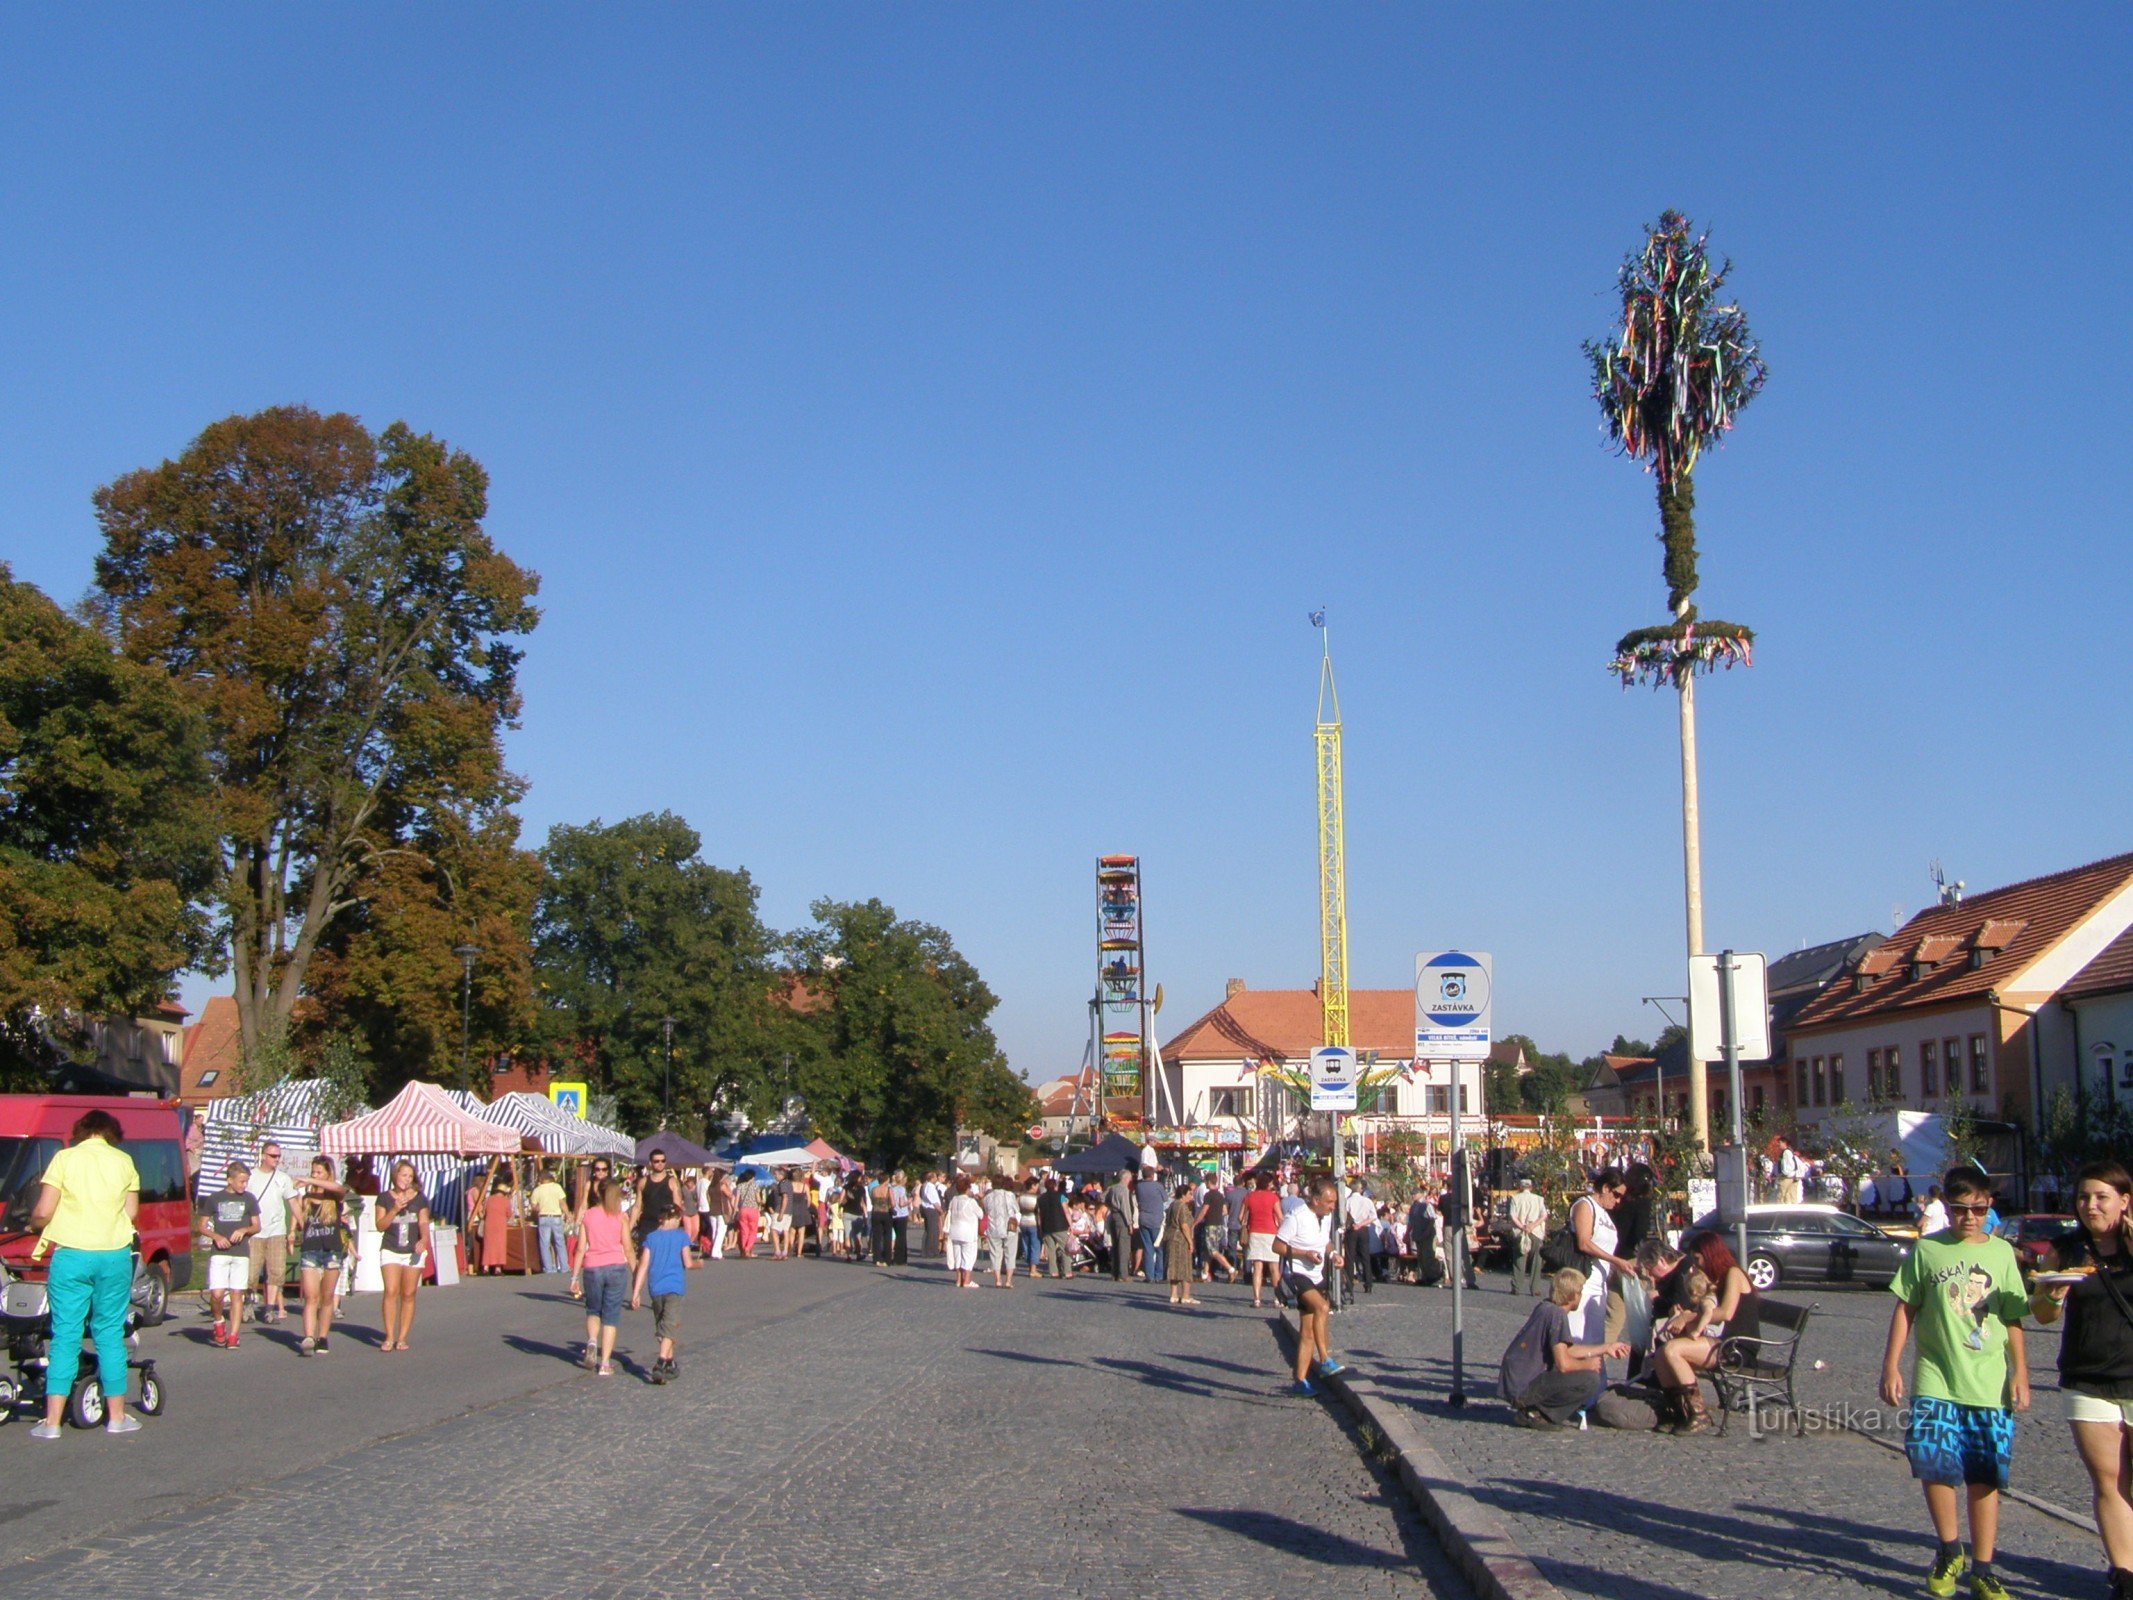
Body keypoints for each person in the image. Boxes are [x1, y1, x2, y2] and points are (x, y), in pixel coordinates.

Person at [1881, 1166, 2030, 1600]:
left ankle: (1983, 1568)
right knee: (1934, 1463)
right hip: (1936, 1377)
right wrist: (1891, 1365)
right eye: (1961, 1209)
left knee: (1985, 1476)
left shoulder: (2003, 1253)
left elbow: (2013, 1317)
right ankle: (1949, 1549)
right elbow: (1905, 1308)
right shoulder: (1928, 1251)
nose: (1970, 1217)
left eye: (1978, 1209)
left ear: (1989, 1207)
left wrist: (2021, 1371)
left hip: (1988, 1382)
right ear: (1946, 1207)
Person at [2030, 1160, 2133, 1600]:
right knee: (2109, 1480)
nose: (2090, 1206)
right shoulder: (2067, 1249)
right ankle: (2125, 1576)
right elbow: (2042, 1313)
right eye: (2083, 1197)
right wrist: (2052, 1295)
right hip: (2087, 1378)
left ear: (2125, 1201)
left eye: (2101, 1197)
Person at [24, 1109, 143, 1439]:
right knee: (108, 1331)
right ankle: (117, 1417)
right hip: (113, 1254)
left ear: (81, 1131)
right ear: (111, 1134)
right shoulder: (124, 1162)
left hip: (72, 1254)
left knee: (65, 1334)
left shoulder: (64, 1159)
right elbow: (131, 1212)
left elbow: (44, 1211)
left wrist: (34, 1224)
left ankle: (51, 1423)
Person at [1648, 1230, 1759, 1433]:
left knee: (1673, 1350)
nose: (1697, 1264)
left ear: (1710, 1254)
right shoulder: (1716, 1278)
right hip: (1721, 1341)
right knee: (1661, 1355)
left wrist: (1689, 1317)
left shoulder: (1733, 1274)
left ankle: (1698, 1413)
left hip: (1736, 1347)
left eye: (1698, 1258)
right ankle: (1680, 1411)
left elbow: (1726, 1313)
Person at [1500, 1267, 1629, 1430]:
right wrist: (1588, 1365)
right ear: (1572, 1295)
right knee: (1590, 1379)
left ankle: (1535, 1410)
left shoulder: (1546, 1308)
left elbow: (1568, 1350)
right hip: (1524, 1387)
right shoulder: (1557, 1315)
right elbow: (1564, 1364)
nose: (1581, 1297)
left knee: (1584, 1373)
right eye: (1580, 1292)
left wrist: (1606, 1348)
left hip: (1517, 1382)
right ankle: (1537, 1413)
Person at [1274, 1177, 1344, 1395]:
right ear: (1315, 1200)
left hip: (1317, 1274)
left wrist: (1332, 1254)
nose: (1333, 1206)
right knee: (1322, 1307)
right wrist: (1304, 1254)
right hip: (1298, 1274)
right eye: (1329, 1202)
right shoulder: (1296, 1217)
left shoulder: (1326, 1217)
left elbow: (1324, 1241)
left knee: (1307, 1333)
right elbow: (1277, 1246)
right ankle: (1324, 1359)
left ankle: (1300, 1381)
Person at [1569, 1168, 1637, 1353]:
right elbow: (1584, 1242)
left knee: (1595, 1339)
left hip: (1600, 1283)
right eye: (1616, 1195)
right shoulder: (1585, 1205)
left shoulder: (1605, 1213)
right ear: (1606, 1188)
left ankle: (1593, 1380)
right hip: (1584, 1280)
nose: (1618, 1200)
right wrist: (1617, 1261)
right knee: (1578, 1336)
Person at [577, 1178, 639, 1376]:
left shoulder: (588, 1215)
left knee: (593, 1309)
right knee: (611, 1316)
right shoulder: (621, 1217)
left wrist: (573, 1278)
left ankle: (592, 1341)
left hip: (592, 1266)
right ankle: (604, 1364)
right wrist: (636, 1275)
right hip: (615, 1266)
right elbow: (628, 1249)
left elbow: (580, 1248)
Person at [628, 1202, 695, 1382]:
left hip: (655, 1288)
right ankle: (660, 1362)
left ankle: (669, 1363)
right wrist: (698, 1264)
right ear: (669, 1219)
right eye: (676, 1218)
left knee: (663, 1327)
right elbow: (688, 1263)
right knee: (669, 1326)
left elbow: (643, 1266)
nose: (678, 1221)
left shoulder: (651, 1238)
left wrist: (636, 1292)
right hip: (674, 1287)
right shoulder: (681, 1236)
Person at [198, 1159, 260, 1350]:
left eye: (246, 1182)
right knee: (216, 1294)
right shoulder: (215, 1199)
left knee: (236, 1294)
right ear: (230, 1180)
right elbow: (201, 1226)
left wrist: (244, 1230)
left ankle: (233, 1334)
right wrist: (215, 1236)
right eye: (241, 1181)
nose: (244, 1185)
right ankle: (218, 1321)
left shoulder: (249, 1199)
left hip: (240, 1253)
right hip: (220, 1252)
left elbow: (257, 1225)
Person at [291, 1155, 349, 1355]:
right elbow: (297, 1217)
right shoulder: (306, 1196)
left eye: (319, 1172)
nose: (314, 1176)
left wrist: (312, 1181)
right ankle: (308, 1336)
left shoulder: (334, 1195)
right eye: (313, 1172)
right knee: (311, 1296)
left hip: (331, 1250)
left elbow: (340, 1189)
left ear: (327, 1174)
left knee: (327, 1297)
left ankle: (322, 1337)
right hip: (311, 1249)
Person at [375, 1161, 431, 1353]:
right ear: (395, 1176)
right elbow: (380, 1225)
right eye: (403, 1175)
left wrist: (424, 1239)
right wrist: (394, 1209)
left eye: (410, 1176)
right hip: (391, 1248)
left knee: (408, 1293)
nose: (406, 1179)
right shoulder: (384, 1198)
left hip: (412, 1251)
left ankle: (402, 1337)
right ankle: (389, 1336)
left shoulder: (420, 1199)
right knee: (391, 1290)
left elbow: (423, 1222)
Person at [246, 1140, 297, 1324]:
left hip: (276, 1231)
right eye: (273, 1156)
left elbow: (293, 1202)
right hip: (255, 1232)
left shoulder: (283, 1178)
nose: (277, 1159)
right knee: (251, 1273)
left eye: (278, 1156)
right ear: (263, 1156)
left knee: (276, 1271)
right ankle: (248, 1303)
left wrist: (301, 1223)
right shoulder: (250, 1176)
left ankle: (269, 1309)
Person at [1242, 1172, 1283, 1308]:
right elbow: (1280, 1217)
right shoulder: (1273, 1197)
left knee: (1257, 1267)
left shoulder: (1249, 1197)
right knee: (1273, 1268)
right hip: (1271, 1233)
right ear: (1268, 1184)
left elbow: (1240, 1217)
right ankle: (1277, 1299)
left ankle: (1257, 1299)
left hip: (1254, 1232)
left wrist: (1248, 1224)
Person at [1507, 1177, 1548, 1297]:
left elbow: (1512, 1216)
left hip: (1520, 1232)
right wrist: (1532, 1226)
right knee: (1537, 1261)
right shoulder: (1539, 1199)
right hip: (1536, 1232)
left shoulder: (1515, 1198)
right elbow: (1544, 1215)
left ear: (1520, 1187)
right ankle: (1535, 1289)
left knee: (1519, 1260)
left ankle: (1517, 1287)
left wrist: (1522, 1227)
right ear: (1531, 1187)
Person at [943, 1174, 983, 1289]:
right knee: (969, 1257)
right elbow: (980, 1215)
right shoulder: (971, 1202)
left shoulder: (954, 1200)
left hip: (955, 1231)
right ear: (967, 1189)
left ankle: (958, 1280)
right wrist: (979, 1200)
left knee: (958, 1257)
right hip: (968, 1232)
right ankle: (967, 1281)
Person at [529, 1165, 570, 1275]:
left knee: (544, 1244)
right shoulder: (557, 1187)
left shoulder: (537, 1190)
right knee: (560, 1242)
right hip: (556, 1216)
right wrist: (568, 1214)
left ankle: (549, 1268)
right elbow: (562, 1202)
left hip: (543, 1217)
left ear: (540, 1179)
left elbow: (534, 1206)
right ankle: (564, 1267)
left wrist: (541, 1207)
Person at [983, 1173, 1021, 1287]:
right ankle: (1009, 1280)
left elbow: (986, 1211)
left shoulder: (987, 1197)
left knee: (996, 1254)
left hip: (993, 1227)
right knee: (1010, 1253)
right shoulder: (1010, 1195)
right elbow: (1017, 1209)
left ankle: (998, 1280)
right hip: (1010, 1228)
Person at [1342, 1177, 1377, 1298]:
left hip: (1351, 1229)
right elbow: (1373, 1217)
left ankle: (1349, 1283)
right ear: (1361, 1189)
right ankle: (1368, 1283)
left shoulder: (1348, 1201)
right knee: (1365, 1257)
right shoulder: (1367, 1201)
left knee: (1350, 1257)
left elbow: (1344, 1216)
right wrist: (1362, 1224)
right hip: (1363, 1229)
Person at [1134, 1165, 1168, 1282]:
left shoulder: (1139, 1187)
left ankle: (1149, 1275)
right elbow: (1165, 1198)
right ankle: (1159, 1275)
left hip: (1143, 1218)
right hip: (1156, 1219)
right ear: (1153, 1175)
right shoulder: (1158, 1186)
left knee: (1147, 1248)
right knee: (1159, 1248)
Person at [1103, 1169, 1137, 1283]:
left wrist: (1110, 1205)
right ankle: (1123, 1274)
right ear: (1126, 1178)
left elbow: (1102, 1197)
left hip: (1113, 1216)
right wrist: (1130, 1224)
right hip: (1122, 1218)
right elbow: (1126, 1208)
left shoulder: (1112, 1187)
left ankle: (1115, 1273)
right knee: (1124, 1247)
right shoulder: (1124, 1190)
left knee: (1115, 1245)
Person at [480, 1168, 516, 1275]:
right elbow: (509, 1214)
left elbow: (483, 1212)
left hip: (489, 1224)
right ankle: (497, 1268)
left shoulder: (489, 1199)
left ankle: (486, 1267)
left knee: (488, 1245)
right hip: (500, 1225)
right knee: (499, 1246)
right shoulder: (505, 1201)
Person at [1038, 1177, 1073, 1279]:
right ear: (1055, 1186)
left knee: (1050, 1251)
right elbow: (1066, 1211)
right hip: (1060, 1226)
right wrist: (1070, 1225)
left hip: (1047, 1227)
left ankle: (1053, 1272)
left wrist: (1041, 1227)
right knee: (1065, 1249)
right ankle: (1067, 1272)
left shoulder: (1040, 1198)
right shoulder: (1060, 1196)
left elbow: (1039, 1215)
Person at [734, 1169, 763, 1259]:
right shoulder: (755, 1186)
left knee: (744, 1230)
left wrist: (735, 1208)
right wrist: (762, 1202)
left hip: (743, 1209)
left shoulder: (740, 1186)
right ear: (752, 1177)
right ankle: (747, 1248)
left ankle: (743, 1248)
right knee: (753, 1230)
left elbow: (737, 1199)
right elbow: (758, 1200)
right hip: (753, 1209)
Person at [919, 1170, 947, 1258]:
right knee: (933, 1231)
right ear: (931, 1178)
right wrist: (940, 1209)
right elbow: (933, 1200)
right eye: (935, 1177)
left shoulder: (927, 1186)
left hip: (928, 1209)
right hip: (931, 1209)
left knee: (930, 1230)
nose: (936, 1178)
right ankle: (931, 1251)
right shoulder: (930, 1186)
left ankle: (928, 1251)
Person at [889, 1170, 912, 1264]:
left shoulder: (890, 1187)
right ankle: (900, 1259)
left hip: (893, 1214)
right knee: (901, 1237)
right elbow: (902, 1203)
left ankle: (892, 1257)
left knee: (893, 1236)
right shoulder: (901, 1189)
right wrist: (909, 1201)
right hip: (901, 1214)